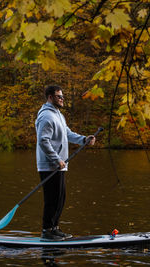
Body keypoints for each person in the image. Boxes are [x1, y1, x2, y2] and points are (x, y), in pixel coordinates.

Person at [35, 85, 96, 241]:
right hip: (49, 165)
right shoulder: (46, 116)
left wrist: (83, 139)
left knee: (60, 198)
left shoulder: (59, 115)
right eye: (58, 96)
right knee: (52, 199)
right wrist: (56, 159)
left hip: (60, 165)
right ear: (50, 97)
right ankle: (47, 230)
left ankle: (54, 228)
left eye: (62, 96)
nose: (62, 99)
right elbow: (43, 141)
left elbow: (67, 133)